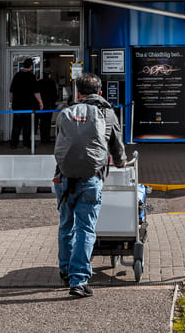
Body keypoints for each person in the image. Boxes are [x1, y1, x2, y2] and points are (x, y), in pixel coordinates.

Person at [54, 72, 126, 298]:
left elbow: (60, 142)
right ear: (101, 92)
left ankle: (65, 271)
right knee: (86, 228)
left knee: (66, 224)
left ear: (78, 93)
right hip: (91, 178)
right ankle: (79, 280)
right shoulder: (108, 113)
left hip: (64, 178)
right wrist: (121, 162)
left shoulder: (69, 113)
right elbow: (117, 146)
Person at [8, 59, 41, 149]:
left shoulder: (17, 75)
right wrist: (40, 102)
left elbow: (12, 90)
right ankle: (26, 143)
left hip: (17, 105)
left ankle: (13, 143)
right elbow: (36, 92)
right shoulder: (32, 77)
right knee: (27, 126)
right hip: (28, 105)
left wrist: (11, 100)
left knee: (16, 125)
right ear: (31, 66)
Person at [36, 70, 59, 144]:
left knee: (42, 122)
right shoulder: (52, 82)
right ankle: (47, 138)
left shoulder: (39, 83)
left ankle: (43, 138)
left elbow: (36, 93)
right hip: (49, 105)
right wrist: (53, 103)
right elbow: (55, 94)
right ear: (49, 75)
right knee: (48, 122)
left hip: (41, 105)